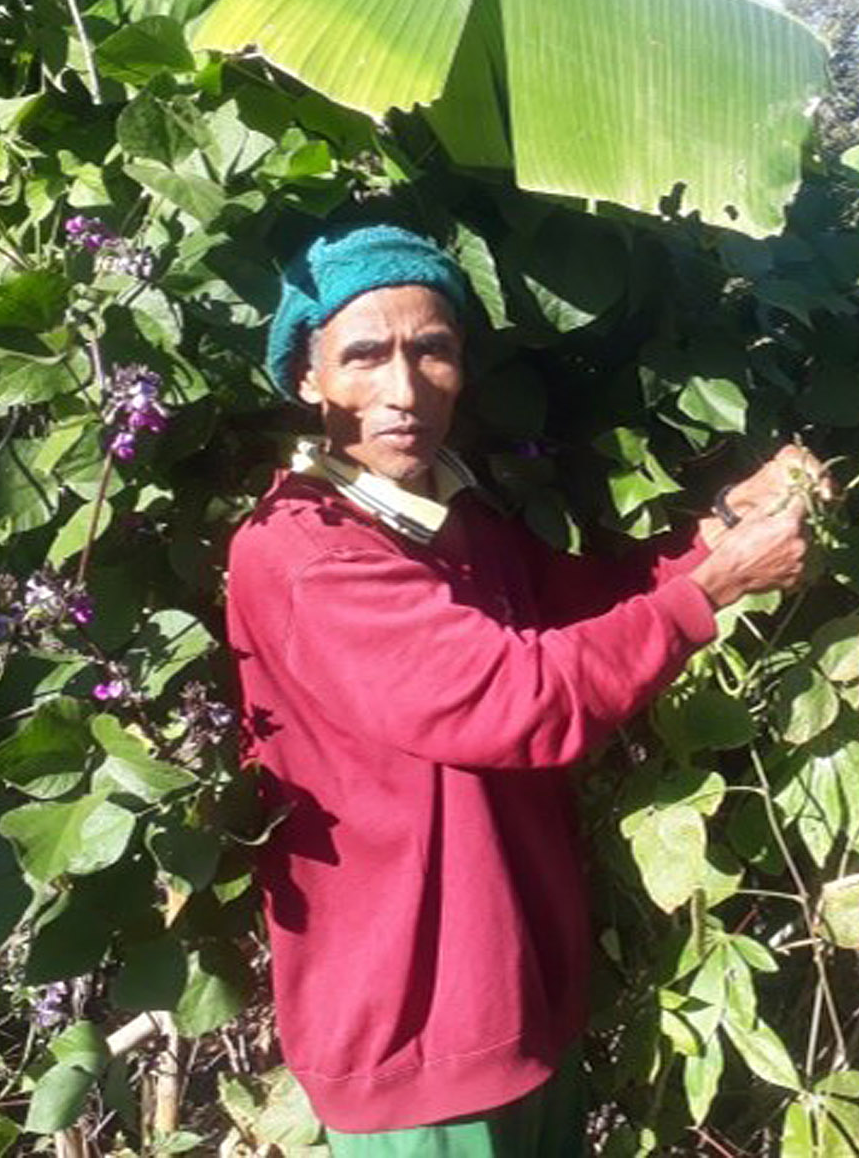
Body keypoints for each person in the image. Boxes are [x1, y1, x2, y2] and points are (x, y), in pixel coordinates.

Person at [225, 223, 822, 1156]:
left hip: (513, 999)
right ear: (310, 379)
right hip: (417, 1035)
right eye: (365, 356)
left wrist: (719, 529)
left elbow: (582, 610)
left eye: (433, 349)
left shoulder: (449, 522)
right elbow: (519, 698)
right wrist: (717, 587)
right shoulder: (305, 550)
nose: (404, 388)